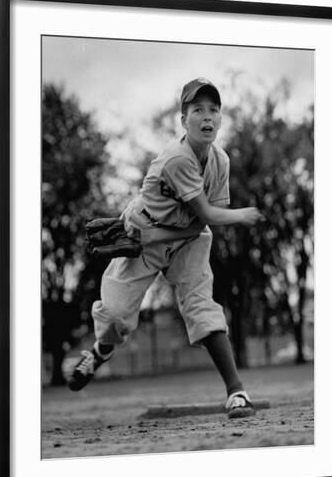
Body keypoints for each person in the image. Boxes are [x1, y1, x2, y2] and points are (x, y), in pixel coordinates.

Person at [68, 77, 263, 418]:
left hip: (185, 239)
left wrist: (167, 236)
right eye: (197, 109)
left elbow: (203, 221)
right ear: (183, 119)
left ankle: (236, 391)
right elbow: (207, 213)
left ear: (220, 118)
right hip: (141, 233)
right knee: (114, 315)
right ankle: (100, 351)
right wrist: (241, 215)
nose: (207, 116)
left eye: (214, 110)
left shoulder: (221, 162)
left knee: (201, 305)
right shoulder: (176, 159)